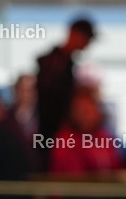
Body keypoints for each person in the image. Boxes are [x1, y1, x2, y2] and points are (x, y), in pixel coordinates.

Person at [36, 17, 96, 170]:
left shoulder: (61, 62)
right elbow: (50, 103)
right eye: (86, 38)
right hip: (53, 137)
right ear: (74, 33)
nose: (87, 44)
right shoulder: (55, 63)